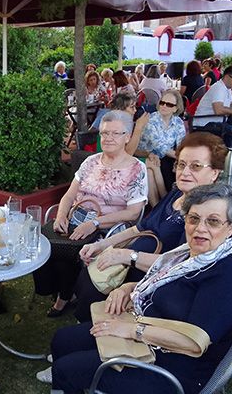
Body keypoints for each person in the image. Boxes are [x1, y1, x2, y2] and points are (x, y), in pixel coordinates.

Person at [48, 183, 232, 394]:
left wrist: (132, 331)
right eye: (193, 218)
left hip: (171, 367)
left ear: (230, 228)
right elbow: (164, 284)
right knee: (62, 340)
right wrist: (128, 288)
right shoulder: (189, 255)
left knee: (66, 370)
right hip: (147, 332)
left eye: (213, 221)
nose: (200, 228)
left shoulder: (229, 278)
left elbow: (193, 343)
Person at [74, 132, 228, 322]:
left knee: (96, 285)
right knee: (90, 271)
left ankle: (93, 327)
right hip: (129, 267)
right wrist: (102, 245)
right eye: (181, 164)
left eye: (196, 166)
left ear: (214, 173)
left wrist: (128, 256)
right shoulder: (176, 195)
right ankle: (86, 321)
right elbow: (138, 229)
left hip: (152, 284)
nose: (185, 172)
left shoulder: (206, 216)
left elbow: (182, 264)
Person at [33, 111, 148, 317]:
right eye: (104, 133)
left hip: (108, 228)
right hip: (76, 219)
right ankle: (56, 290)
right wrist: (61, 216)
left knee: (71, 251)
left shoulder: (136, 169)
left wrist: (94, 223)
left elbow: (133, 213)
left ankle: (64, 298)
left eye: (115, 133)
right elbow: (69, 195)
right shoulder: (91, 162)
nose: (108, 138)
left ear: (127, 137)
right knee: (42, 243)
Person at [136, 90, 186, 205]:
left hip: (165, 157)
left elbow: (181, 145)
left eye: (169, 104)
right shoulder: (151, 120)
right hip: (145, 155)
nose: (164, 106)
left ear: (176, 108)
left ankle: (161, 205)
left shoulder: (178, 122)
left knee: (155, 169)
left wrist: (180, 159)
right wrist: (181, 159)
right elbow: (160, 147)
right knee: (153, 167)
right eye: (162, 102)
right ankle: (165, 203)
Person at [194, 65, 232, 150]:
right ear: (227, 76)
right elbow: (219, 110)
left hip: (214, 121)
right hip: (204, 123)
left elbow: (228, 104)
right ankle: (226, 154)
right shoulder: (219, 88)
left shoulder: (226, 88)